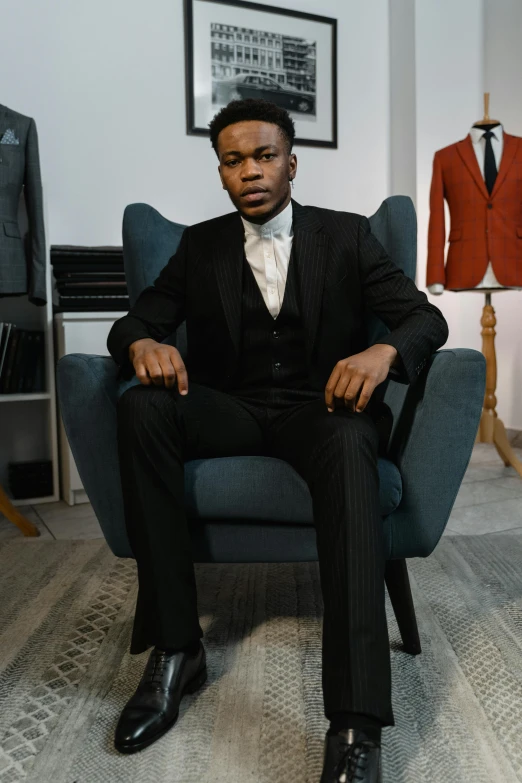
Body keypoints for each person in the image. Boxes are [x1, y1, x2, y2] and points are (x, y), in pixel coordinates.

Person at [106, 98, 449, 782]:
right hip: (229, 406)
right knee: (142, 407)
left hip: (318, 408)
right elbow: (134, 322)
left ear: (292, 163)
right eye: (234, 161)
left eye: (264, 156)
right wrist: (144, 343)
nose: (250, 171)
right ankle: (177, 649)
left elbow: (423, 317)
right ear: (222, 173)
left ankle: (355, 721)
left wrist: (382, 356)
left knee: (354, 440)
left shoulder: (348, 237)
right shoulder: (199, 245)